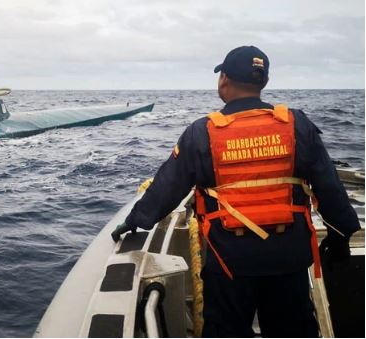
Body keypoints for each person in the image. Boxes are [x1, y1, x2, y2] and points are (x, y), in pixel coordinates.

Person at [111, 45, 360, 337]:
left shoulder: (201, 132)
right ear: (263, 82)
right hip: (288, 259)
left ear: (223, 80)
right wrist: (341, 234)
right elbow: (329, 187)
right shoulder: (296, 126)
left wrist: (136, 220)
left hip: (229, 261)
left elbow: (168, 187)